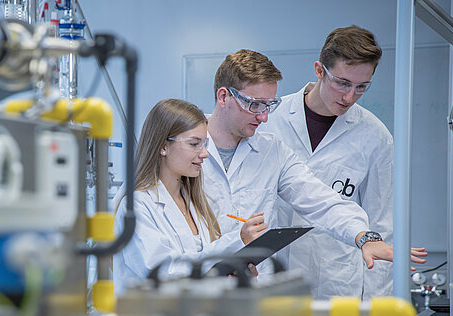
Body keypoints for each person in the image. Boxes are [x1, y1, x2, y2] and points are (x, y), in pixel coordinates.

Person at [202, 48, 427, 280]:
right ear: (223, 97)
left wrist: (363, 236)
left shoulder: (272, 152)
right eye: (255, 104)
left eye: (268, 105)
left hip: (252, 289)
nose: (264, 117)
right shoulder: (184, 149)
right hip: (196, 289)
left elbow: (321, 200)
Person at [259, 26, 426, 300]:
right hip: (274, 278)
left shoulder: (374, 136)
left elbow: (382, 225)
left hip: (335, 283)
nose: (350, 97)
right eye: (343, 83)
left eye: (361, 87)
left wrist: (377, 308)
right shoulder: (271, 120)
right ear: (319, 70)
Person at [113, 99, 266, 294]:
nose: (205, 154)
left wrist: (236, 273)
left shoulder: (193, 201)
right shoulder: (136, 206)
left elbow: (200, 275)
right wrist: (236, 242)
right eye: (194, 144)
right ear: (163, 146)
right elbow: (164, 273)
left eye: (205, 144)